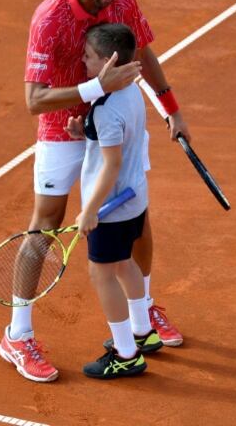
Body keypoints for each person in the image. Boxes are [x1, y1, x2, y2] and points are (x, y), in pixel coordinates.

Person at [0, 0, 189, 383]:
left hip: (116, 126)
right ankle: (17, 334)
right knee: (44, 227)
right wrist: (95, 90)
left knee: (137, 220)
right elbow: (34, 100)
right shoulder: (50, 18)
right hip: (61, 129)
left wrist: (172, 107)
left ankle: (142, 318)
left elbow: (142, 50)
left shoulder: (122, 2)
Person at [76, 23, 160, 379]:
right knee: (126, 264)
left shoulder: (106, 108)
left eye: (89, 56)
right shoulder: (130, 91)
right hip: (135, 198)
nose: (82, 60)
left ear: (109, 61)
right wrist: (86, 133)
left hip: (111, 208)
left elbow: (111, 164)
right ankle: (143, 330)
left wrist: (90, 210)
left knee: (102, 274)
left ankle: (126, 353)